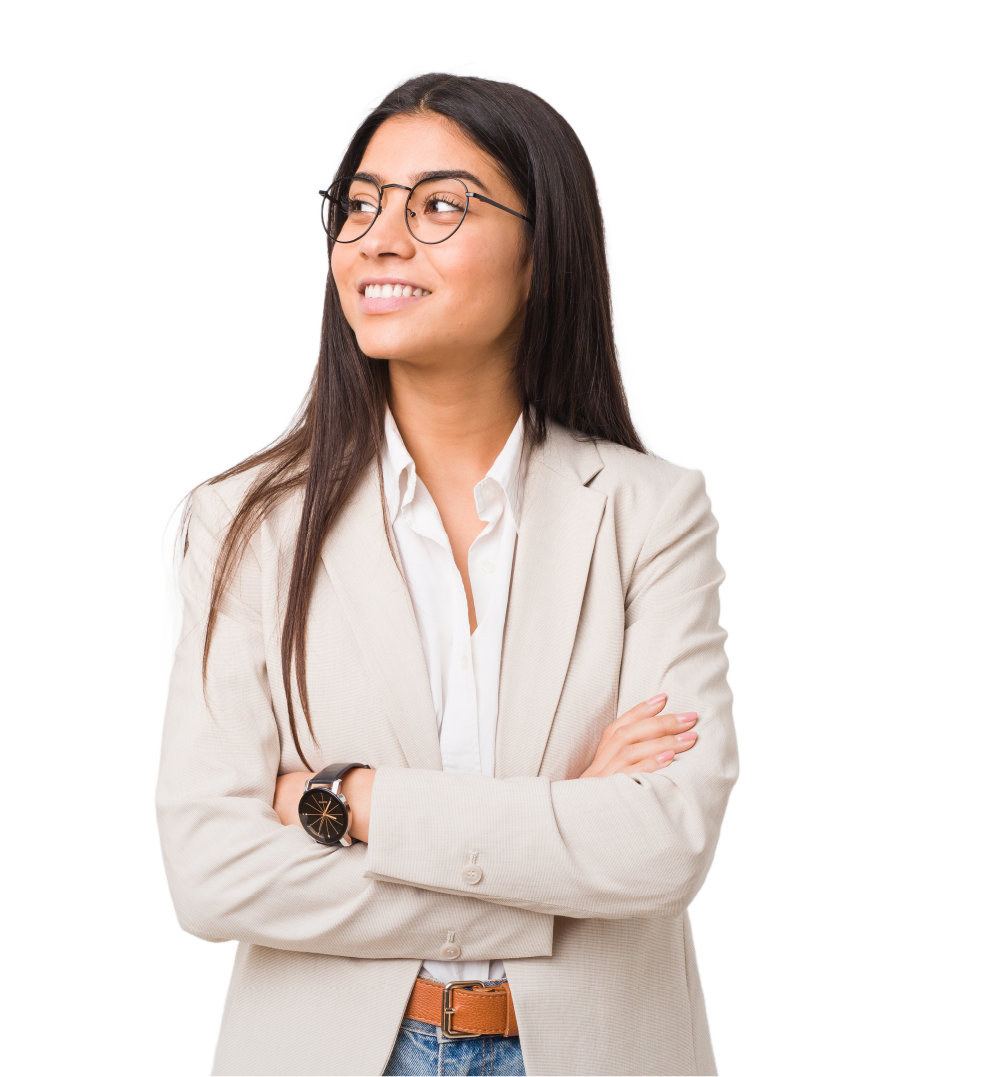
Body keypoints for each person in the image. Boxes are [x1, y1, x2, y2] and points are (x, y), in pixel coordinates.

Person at [155, 68, 739, 1077]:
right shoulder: (243, 524)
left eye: (438, 206)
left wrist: (350, 804)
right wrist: (554, 845)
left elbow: (660, 844)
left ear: (539, 258)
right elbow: (211, 875)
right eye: (360, 204)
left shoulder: (649, 510)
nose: (378, 237)